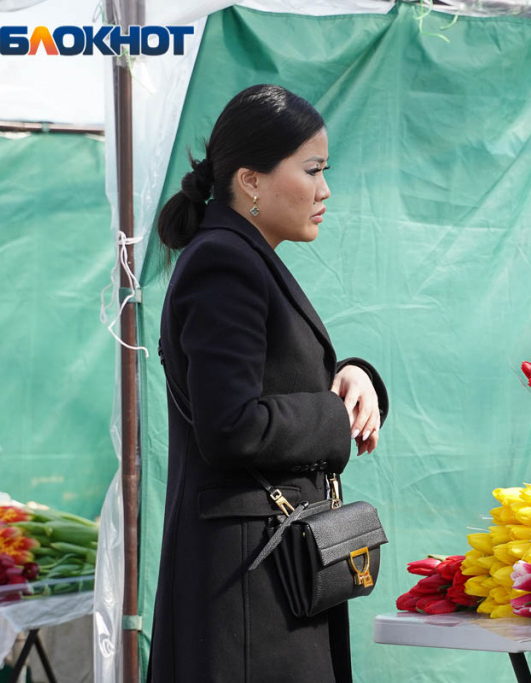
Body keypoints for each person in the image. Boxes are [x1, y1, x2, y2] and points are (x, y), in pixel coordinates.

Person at [147, 84, 388, 683]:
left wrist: (355, 376)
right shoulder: (223, 262)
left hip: (271, 572)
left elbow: (277, 374)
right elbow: (232, 425)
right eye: (312, 170)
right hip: (246, 593)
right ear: (251, 180)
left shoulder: (243, 257)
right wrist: (335, 417)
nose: (325, 190)